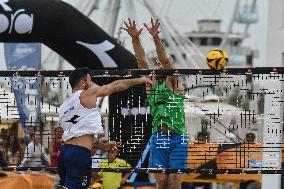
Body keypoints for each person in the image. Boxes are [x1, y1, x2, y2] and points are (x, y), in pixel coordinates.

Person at [58, 67, 152, 189]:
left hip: (65, 152)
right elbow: (115, 86)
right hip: (79, 154)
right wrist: (139, 80)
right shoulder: (87, 93)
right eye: (90, 80)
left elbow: (79, 138)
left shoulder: (64, 107)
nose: (92, 84)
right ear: (83, 82)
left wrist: (104, 146)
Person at [122, 18, 188, 189]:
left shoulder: (174, 84)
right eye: (156, 63)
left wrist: (155, 38)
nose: (158, 64)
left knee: (174, 181)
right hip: (158, 137)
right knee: (162, 182)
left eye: (160, 63)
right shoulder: (152, 85)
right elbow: (142, 61)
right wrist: (135, 39)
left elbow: (165, 60)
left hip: (177, 137)